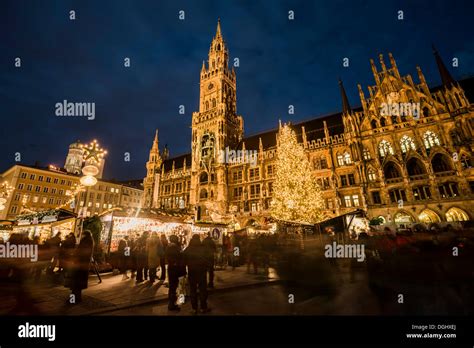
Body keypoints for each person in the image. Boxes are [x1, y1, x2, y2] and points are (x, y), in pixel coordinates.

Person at [184, 234, 210, 314]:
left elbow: (183, 259)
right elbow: (208, 259)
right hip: (202, 272)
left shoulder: (188, 248)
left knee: (193, 290)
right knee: (203, 289)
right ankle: (203, 307)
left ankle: (194, 308)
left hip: (192, 272)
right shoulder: (203, 248)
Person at [66, 231, 94, 304]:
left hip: (79, 265)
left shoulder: (85, 242)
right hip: (84, 265)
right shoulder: (90, 241)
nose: (81, 235)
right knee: (78, 285)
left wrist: (74, 255)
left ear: (85, 235)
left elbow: (80, 252)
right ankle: (78, 299)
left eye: (82, 234)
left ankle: (72, 300)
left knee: (75, 284)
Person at [166, 235, 185, 311]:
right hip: (176, 269)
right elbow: (179, 257)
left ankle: (172, 303)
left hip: (172, 269)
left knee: (173, 287)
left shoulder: (169, 247)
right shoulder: (174, 247)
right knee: (177, 286)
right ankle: (174, 303)